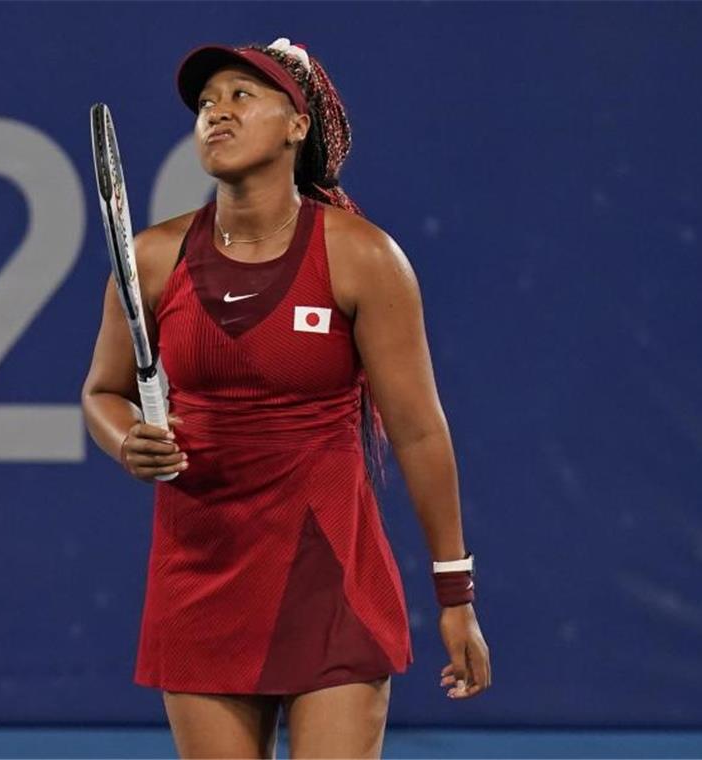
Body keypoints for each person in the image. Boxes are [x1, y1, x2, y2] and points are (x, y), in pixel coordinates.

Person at [82, 37, 491, 759]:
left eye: (242, 96)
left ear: (297, 124)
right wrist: (125, 440)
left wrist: (454, 594)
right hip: (201, 579)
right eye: (207, 103)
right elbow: (102, 393)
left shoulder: (364, 257)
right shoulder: (150, 259)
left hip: (330, 578)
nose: (217, 115)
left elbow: (421, 432)